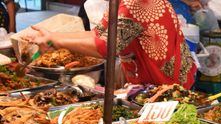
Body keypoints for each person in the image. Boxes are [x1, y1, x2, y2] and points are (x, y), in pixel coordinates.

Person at [28, 0, 197, 89]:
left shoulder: (136, 2)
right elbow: (98, 34)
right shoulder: (119, 3)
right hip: (150, 84)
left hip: (168, 86)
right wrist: (53, 36)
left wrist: (54, 40)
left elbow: (105, 46)